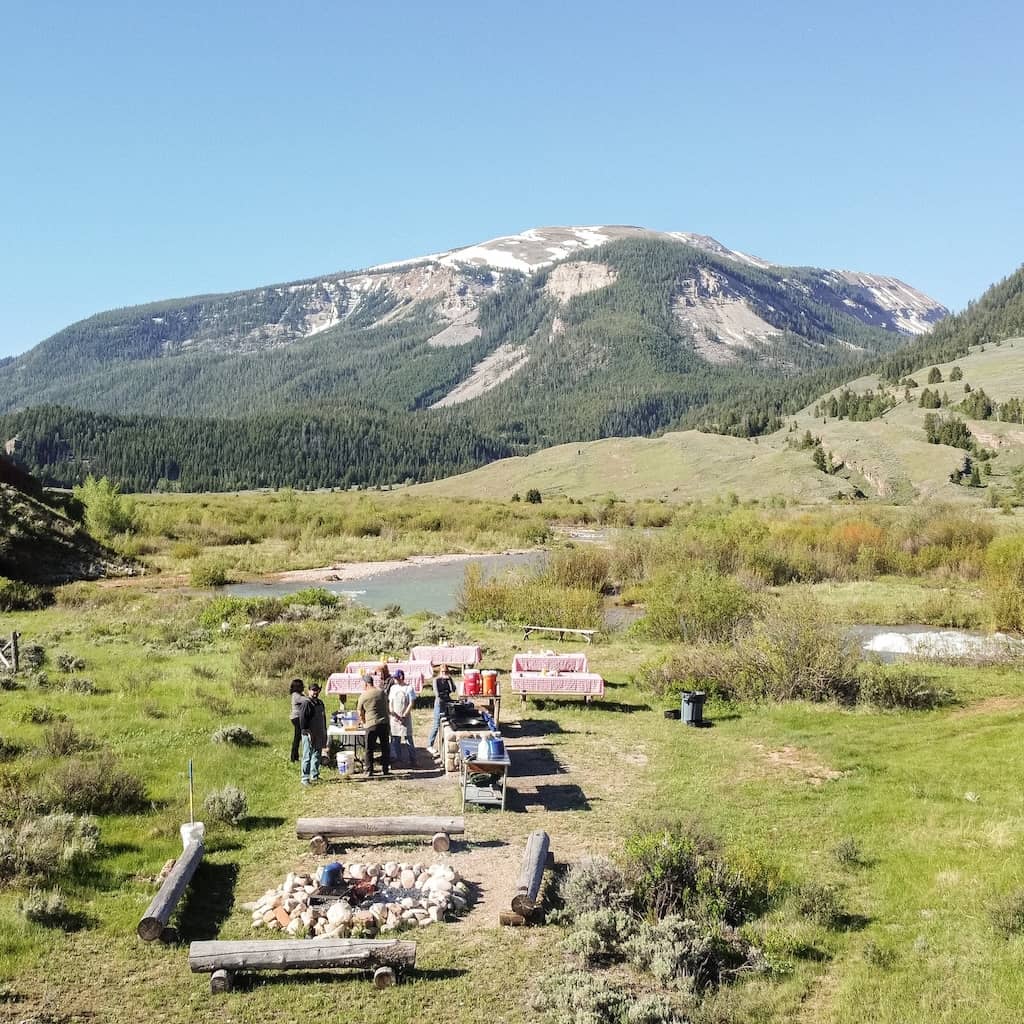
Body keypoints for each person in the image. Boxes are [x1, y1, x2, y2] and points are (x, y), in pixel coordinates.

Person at [357, 673, 390, 777]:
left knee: (369, 749)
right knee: (385, 747)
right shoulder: (381, 693)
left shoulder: (363, 695)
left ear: (366, 684)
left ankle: (369, 770)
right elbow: (387, 706)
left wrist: (363, 721)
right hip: (384, 723)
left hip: (371, 724)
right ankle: (385, 769)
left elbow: (360, 711)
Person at [298, 682, 327, 785]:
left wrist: (324, 731)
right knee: (307, 756)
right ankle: (305, 778)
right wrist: (307, 732)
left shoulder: (320, 703)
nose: (315, 692)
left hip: (319, 732)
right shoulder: (306, 703)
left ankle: (314, 775)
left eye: (317, 690)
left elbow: (323, 718)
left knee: (317, 754)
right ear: (309, 691)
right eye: (313, 690)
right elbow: (302, 719)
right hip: (308, 734)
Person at [388, 669, 416, 766]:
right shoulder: (393, 688)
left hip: (405, 717)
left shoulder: (409, 688)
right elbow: (390, 702)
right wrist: (393, 713)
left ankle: (413, 760)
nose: (394, 679)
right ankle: (398, 759)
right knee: (395, 739)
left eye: (396, 678)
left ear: (400, 678)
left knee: (408, 738)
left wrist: (404, 715)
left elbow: (411, 703)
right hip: (395, 717)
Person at [427, 664, 455, 755]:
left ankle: (445, 744)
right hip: (440, 703)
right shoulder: (436, 680)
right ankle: (429, 745)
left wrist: (449, 680)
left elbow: (453, 690)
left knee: (448, 724)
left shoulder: (448, 679)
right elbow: (437, 694)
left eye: (446, 672)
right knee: (436, 724)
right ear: (440, 672)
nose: (444, 673)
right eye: (443, 672)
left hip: (448, 702)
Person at [289, 678, 306, 763]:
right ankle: (293, 757)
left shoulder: (298, 694)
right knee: (297, 738)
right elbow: (306, 700)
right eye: (302, 686)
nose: (303, 687)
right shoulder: (296, 695)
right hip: (297, 718)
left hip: (296, 718)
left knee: (298, 737)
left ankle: (295, 756)